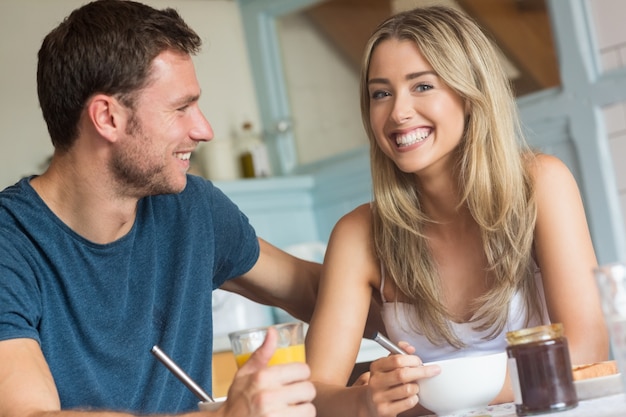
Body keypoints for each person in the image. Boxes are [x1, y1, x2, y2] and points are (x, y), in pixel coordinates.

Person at [0, 1, 320, 416]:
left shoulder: (191, 209)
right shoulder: (11, 243)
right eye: (181, 108)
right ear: (107, 118)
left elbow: (315, 290)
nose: (203, 130)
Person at [304, 5, 609, 417]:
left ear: (470, 93)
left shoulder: (540, 184)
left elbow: (586, 350)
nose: (398, 112)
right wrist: (365, 400)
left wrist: (438, 392)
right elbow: (315, 394)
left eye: (422, 86)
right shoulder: (359, 234)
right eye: (381, 93)